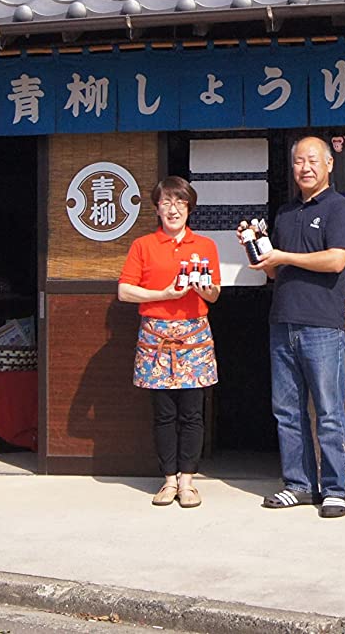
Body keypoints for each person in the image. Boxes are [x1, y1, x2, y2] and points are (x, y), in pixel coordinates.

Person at [251, 135, 345, 519]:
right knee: (286, 410)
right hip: (282, 321)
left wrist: (283, 257)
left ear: (330, 164)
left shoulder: (339, 208)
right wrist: (262, 254)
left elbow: (335, 260)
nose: (305, 167)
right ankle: (297, 484)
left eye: (313, 160)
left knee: (328, 410)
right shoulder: (284, 213)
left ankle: (334, 489)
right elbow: (278, 269)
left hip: (321, 326)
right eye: (298, 161)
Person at [117, 176, 221, 508]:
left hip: (194, 335)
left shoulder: (205, 246)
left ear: (189, 208)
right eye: (166, 202)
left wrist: (203, 289)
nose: (173, 209)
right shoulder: (143, 245)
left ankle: (188, 482)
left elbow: (215, 293)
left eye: (180, 202)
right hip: (156, 336)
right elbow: (124, 290)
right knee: (163, 413)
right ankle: (168, 480)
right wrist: (163, 294)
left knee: (192, 412)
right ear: (157, 208)